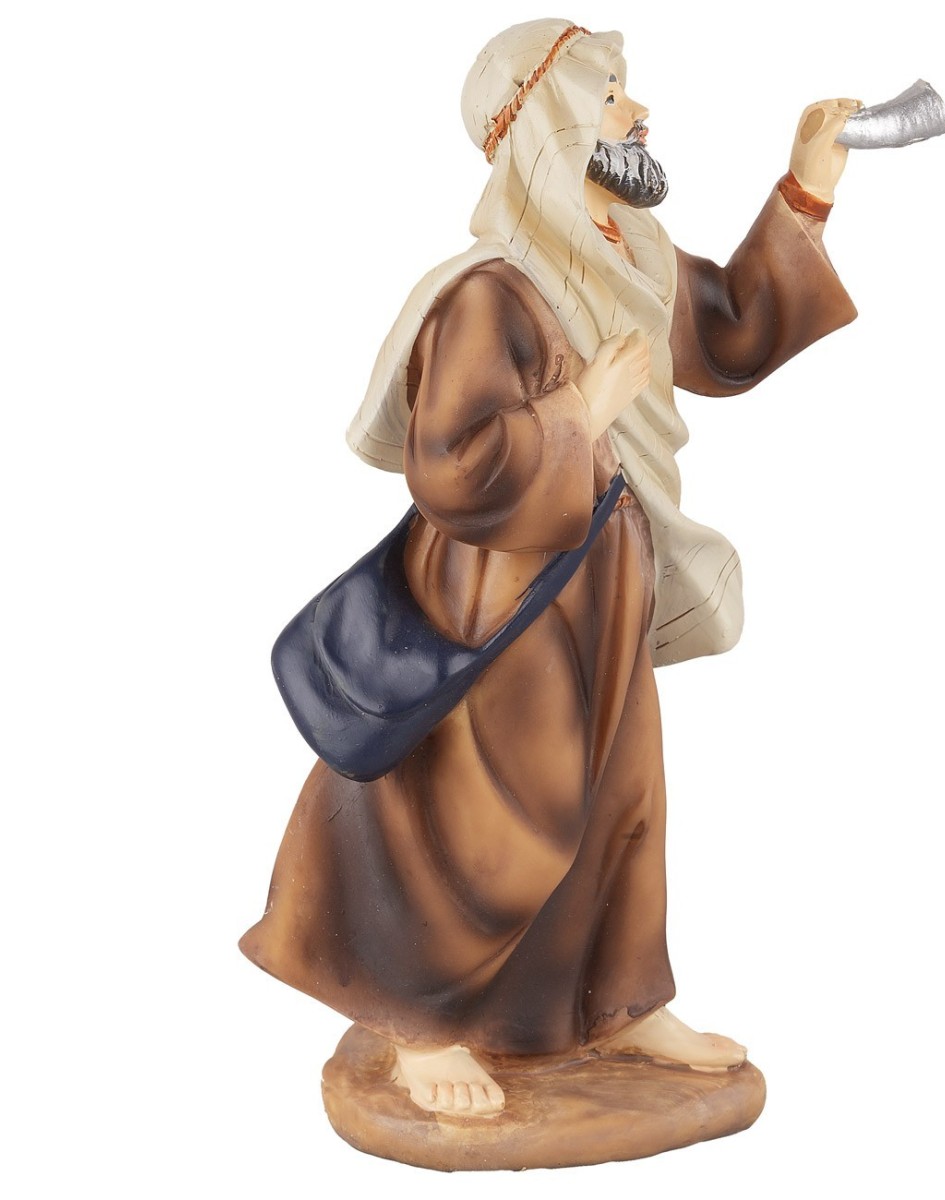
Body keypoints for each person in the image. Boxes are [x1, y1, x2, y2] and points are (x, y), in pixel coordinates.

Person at [241, 19, 859, 1118]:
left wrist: (807, 189)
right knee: (497, 811)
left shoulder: (628, 257)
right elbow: (450, 464)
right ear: (547, 123)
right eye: (610, 93)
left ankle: (616, 1001)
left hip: (608, 568)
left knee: (622, 792)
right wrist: (581, 410)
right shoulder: (490, 291)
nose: (636, 112)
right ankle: (420, 1015)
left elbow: (727, 330)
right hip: (505, 588)